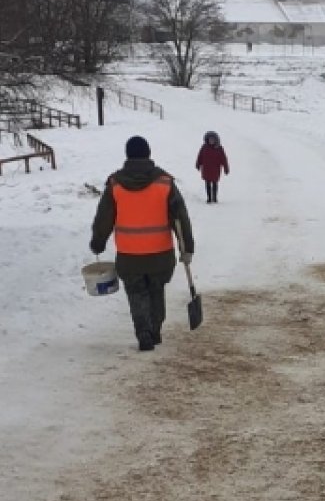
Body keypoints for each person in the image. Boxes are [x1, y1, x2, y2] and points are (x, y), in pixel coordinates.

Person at [90, 136, 195, 351]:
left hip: (129, 255)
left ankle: (143, 331)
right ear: (148, 154)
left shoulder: (115, 184)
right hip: (161, 254)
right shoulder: (165, 182)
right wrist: (187, 248)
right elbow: (180, 218)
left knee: (136, 293)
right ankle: (155, 329)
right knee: (157, 290)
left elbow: (104, 217)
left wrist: (98, 242)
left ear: (127, 155)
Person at [195, 130, 230, 204]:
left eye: (213, 139)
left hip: (215, 169)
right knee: (207, 183)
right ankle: (209, 198)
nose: (211, 141)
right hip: (206, 169)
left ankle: (214, 197)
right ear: (207, 139)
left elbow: (223, 159)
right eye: (210, 139)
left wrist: (226, 168)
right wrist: (198, 164)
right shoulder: (204, 147)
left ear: (216, 140)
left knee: (215, 183)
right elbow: (200, 156)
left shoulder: (219, 148)